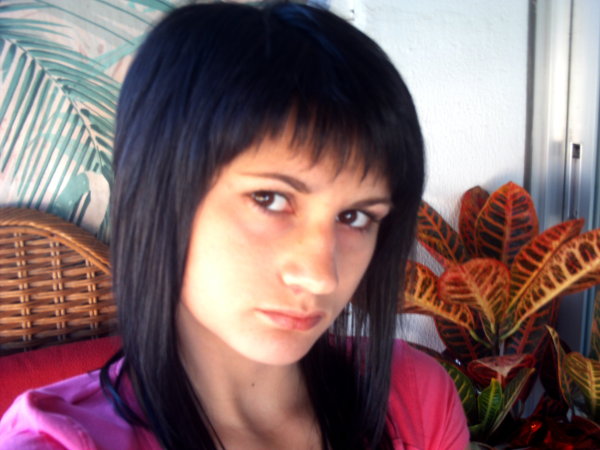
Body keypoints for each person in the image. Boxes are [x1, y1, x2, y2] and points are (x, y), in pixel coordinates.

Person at [0, 2, 469, 449]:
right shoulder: (58, 442)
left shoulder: (414, 398)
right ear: (161, 194)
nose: (320, 276)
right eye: (270, 199)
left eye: (355, 217)